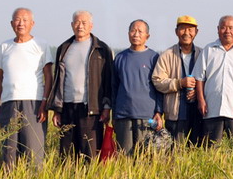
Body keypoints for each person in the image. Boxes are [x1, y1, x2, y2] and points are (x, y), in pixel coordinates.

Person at [0, 7, 53, 169]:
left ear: (32, 23)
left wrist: (45, 103)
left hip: (33, 103)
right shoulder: (5, 46)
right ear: (11, 23)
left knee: (33, 150)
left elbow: (49, 76)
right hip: (8, 103)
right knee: (8, 150)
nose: (21, 23)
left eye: (25, 20)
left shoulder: (41, 45)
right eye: (17, 20)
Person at [48, 10, 113, 161]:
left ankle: (90, 177)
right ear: (72, 25)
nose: (80, 26)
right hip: (67, 107)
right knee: (67, 154)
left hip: (91, 109)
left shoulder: (101, 49)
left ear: (91, 26)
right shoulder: (64, 48)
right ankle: (67, 176)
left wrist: (106, 107)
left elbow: (108, 81)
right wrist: (57, 110)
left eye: (84, 23)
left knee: (90, 153)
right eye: (77, 22)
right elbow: (58, 80)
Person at [193, 15, 233, 147]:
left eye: (231, 28)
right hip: (212, 108)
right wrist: (201, 100)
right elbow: (199, 78)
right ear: (218, 29)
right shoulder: (208, 50)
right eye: (223, 27)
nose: (227, 31)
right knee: (210, 149)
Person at [112, 19, 163, 155]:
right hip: (123, 114)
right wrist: (114, 114)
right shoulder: (120, 58)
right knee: (124, 155)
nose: (136, 34)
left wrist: (159, 112)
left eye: (140, 31)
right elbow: (114, 87)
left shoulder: (154, 57)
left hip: (147, 115)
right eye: (133, 31)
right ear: (128, 33)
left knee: (145, 156)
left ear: (147, 36)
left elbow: (159, 86)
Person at [152, 15, 203, 145]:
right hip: (175, 115)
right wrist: (179, 83)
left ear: (196, 32)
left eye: (190, 29)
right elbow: (157, 81)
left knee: (198, 150)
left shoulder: (203, 54)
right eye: (183, 29)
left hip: (199, 115)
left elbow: (210, 81)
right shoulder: (167, 55)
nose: (186, 33)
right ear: (176, 31)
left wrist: (198, 92)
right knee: (176, 153)